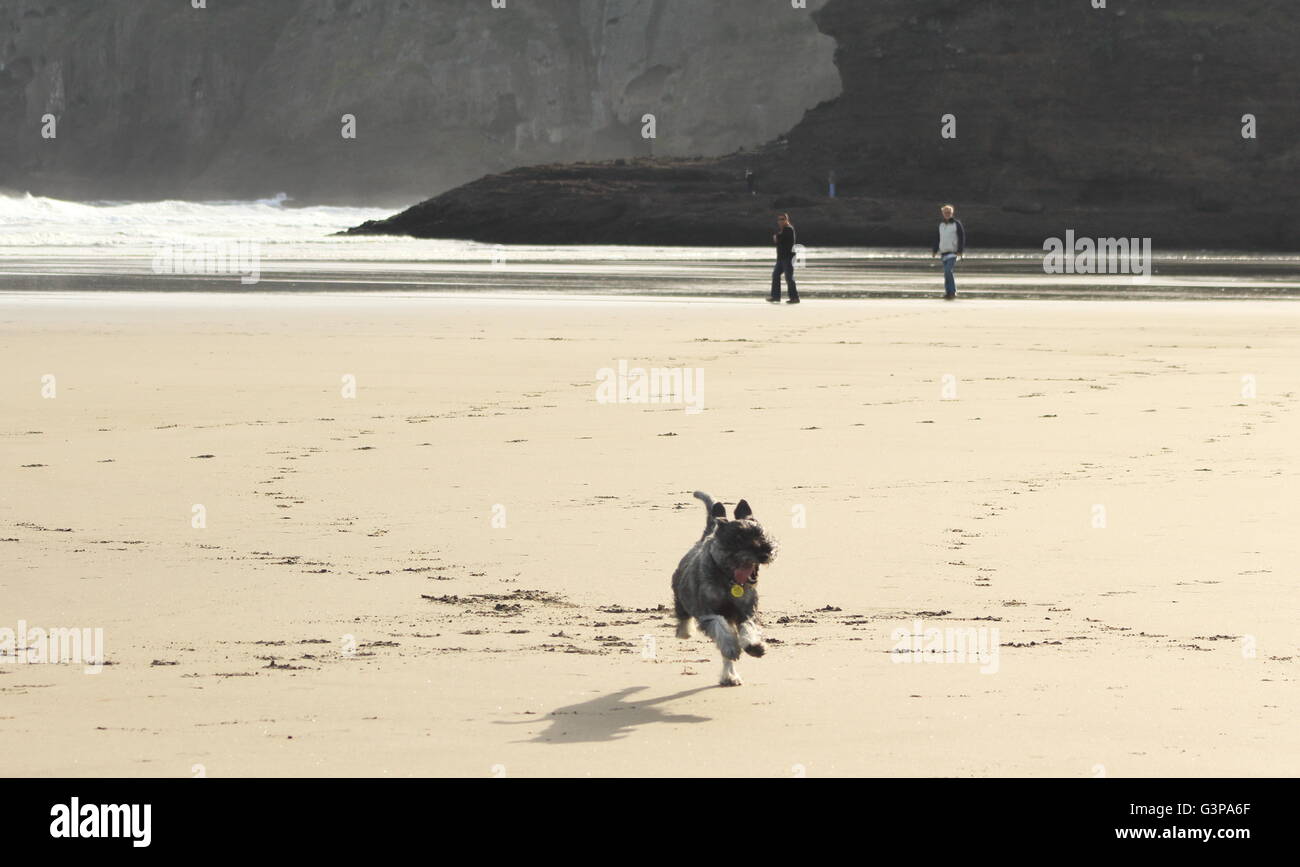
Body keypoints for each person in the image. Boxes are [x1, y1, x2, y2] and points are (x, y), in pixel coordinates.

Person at [931, 204, 966, 299]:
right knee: (946, 273)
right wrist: (934, 250)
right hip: (943, 252)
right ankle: (948, 292)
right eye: (945, 212)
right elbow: (938, 238)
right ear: (943, 213)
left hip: (953, 252)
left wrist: (960, 250)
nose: (947, 214)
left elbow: (961, 237)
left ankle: (953, 291)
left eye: (948, 212)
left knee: (948, 271)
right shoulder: (941, 225)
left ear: (952, 213)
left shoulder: (956, 224)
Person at [769, 213, 800, 304]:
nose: (780, 221)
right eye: (779, 219)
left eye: (783, 219)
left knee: (789, 278)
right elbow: (779, 242)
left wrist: (777, 237)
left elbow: (781, 240)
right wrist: (777, 237)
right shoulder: (782, 230)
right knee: (775, 275)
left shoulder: (788, 229)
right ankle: (775, 297)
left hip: (788, 258)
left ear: (786, 220)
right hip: (781, 258)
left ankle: (795, 298)